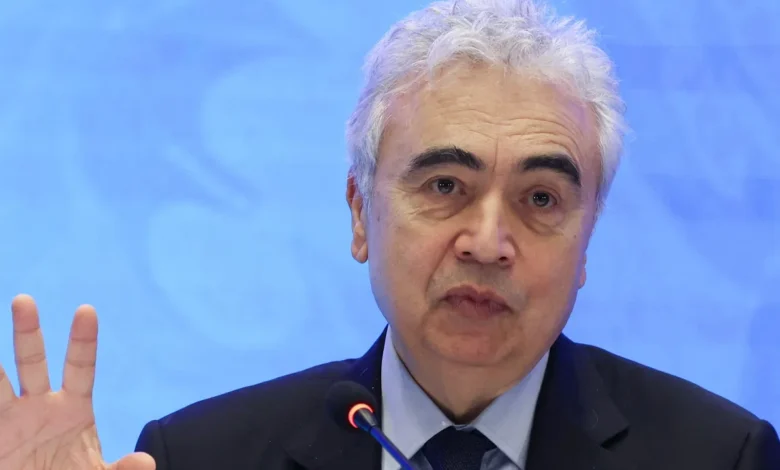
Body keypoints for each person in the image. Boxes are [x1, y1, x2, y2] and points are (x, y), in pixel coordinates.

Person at [1, 0, 778, 469]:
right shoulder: (202, 455)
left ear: (588, 240)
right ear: (358, 213)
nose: (487, 241)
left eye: (540, 198)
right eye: (445, 186)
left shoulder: (719, 456)